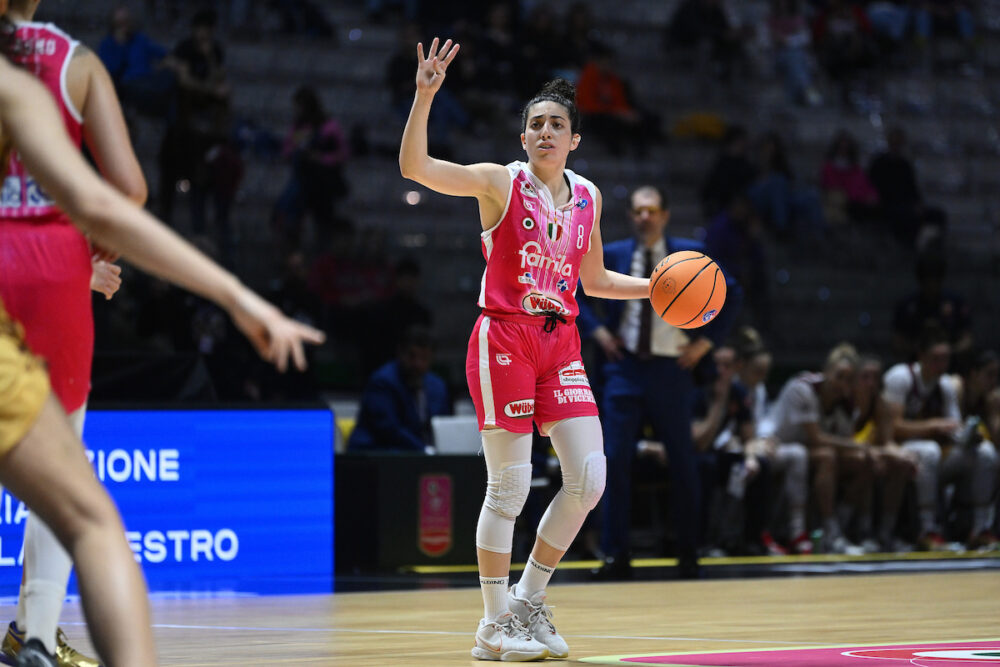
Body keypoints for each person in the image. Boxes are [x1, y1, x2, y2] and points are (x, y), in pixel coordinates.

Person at [0, 46, 324, 667]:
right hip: (41, 291)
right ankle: (34, 634)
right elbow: (117, 196)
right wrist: (235, 296)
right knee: (88, 518)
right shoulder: (56, 71)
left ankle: (32, 636)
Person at [399, 37, 654, 662]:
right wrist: (424, 95)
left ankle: (528, 600)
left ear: (573, 140)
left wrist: (655, 288)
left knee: (589, 478)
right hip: (504, 337)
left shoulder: (588, 197)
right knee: (508, 487)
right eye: (535, 124)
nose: (545, 132)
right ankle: (493, 624)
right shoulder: (498, 183)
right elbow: (416, 169)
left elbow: (592, 281)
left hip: (560, 342)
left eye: (557, 124)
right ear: (523, 139)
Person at [0, 2, 148, 664]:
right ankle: (32, 632)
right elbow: (129, 189)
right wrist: (79, 258)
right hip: (51, 277)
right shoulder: (78, 63)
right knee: (62, 469)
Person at [577, 185, 741, 581]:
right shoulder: (614, 253)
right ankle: (616, 555)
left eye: (651, 210)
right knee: (614, 460)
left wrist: (705, 343)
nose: (644, 217)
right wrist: (598, 332)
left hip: (673, 370)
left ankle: (688, 552)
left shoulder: (689, 255)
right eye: (637, 211)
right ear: (631, 216)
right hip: (625, 369)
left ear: (665, 215)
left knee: (684, 462)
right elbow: (574, 291)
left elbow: (731, 293)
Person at [883, 326, 999, 550]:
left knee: (985, 452)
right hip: (901, 450)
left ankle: (981, 527)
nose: (942, 365)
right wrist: (932, 426)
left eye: (945, 359)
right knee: (929, 450)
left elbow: (953, 428)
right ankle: (927, 530)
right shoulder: (901, 377)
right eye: (936, 359)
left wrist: (967, 437)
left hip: (935, 456)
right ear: (921, 356)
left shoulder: (945, 385)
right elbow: (892, 428)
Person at [765, 344, 872, 554]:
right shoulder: (802, 387)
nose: (841, 384)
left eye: (848, 380)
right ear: (826, 371)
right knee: (827, 456)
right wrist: (858, 445)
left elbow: (841, 443)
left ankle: (839, 526)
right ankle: (828, 529)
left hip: (807, 452)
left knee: (864, 460)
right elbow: (816, 438)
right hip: (777, 445)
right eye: (838, 376)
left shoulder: (847, 405)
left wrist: (866, 452)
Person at [852, 354, 918, 551]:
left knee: (900, 465)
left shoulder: (882, 406)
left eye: (875, 377)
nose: (871, 383)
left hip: (871, 455)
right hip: (849, 458)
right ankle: (862, 531)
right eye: (865, 377)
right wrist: (879, 453)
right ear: (855, 378)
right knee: (868, 462)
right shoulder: (846, 403)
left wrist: (904, 455)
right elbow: (849, 443)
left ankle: (886, 532)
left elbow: (888, 443)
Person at [348, 327, 451, 452]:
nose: (417, 363)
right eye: (412, 356)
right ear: (400, 353)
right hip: (376, 452)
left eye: (424, 358)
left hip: (417, 454)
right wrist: (424, 449)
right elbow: (389, 429)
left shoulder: (437, 386)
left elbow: (442, 425)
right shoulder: (382, 382)